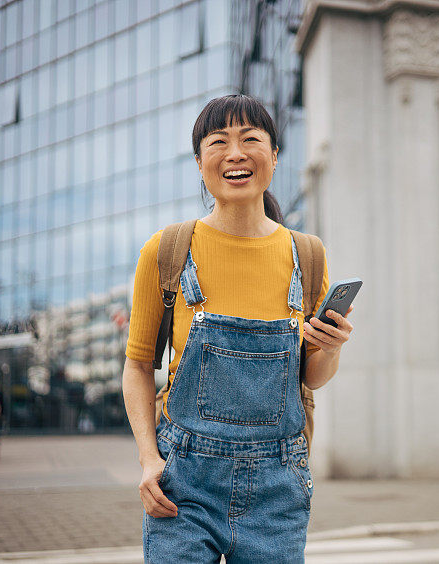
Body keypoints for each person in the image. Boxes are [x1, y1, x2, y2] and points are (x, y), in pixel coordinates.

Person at [122, 94, 354, 563]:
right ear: (200, 163)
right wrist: (149, 459)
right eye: (218, 141)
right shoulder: (166, 250)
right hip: (183, 483)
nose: (235, 153)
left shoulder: (307, 255)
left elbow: (312, 378)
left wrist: (330, 349)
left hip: (278, 486)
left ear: (273, 157)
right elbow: (138, 365)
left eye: (251, 139)